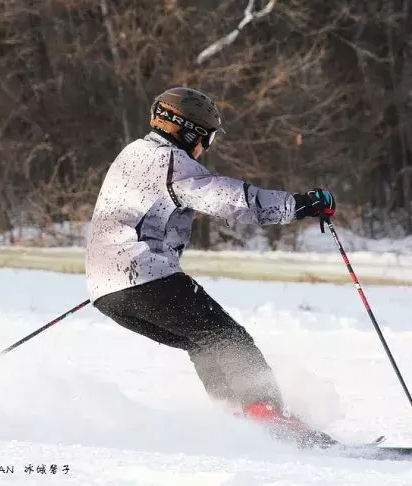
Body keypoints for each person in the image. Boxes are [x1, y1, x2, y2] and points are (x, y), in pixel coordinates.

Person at [85, 87, 337, 448]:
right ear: (189, 133)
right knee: (229, 339)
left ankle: (235, 419)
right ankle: (271, 419)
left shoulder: (131, 155)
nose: (206, 148)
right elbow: (234, 202)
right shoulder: (171, 162)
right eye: (207, 138)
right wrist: (301, 206)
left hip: (107, 289)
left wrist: (112, 277)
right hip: (140, 275)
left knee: (204, 342)